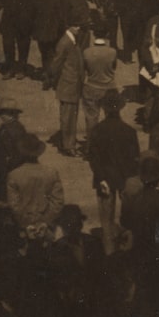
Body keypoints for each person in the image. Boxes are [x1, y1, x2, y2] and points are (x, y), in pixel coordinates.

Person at [86, 88, 140, 256]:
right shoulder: (129, 131)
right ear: (120, 108)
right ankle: (127, 250)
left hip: (104, 179)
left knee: (106, 221)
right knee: (128, 218)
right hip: (125, 179)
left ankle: (109, 254)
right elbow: (135, 158)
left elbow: (92, 158)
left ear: (103, 109)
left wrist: (101, 178)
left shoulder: (96, 131)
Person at [6, 134, 65, 239]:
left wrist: (27, 223)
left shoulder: (14, 175)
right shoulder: (51, 172)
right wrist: (45, 222)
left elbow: (14, 205)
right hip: (46, 228)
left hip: (24, 227)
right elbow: (58, 202)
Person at [48, 21, 86, 156]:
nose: (79, 28)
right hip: (68, 85)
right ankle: (68, 147)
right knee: (68, 117)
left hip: (73, 85)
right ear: (68, 26)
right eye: (76, 25)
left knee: (71, 116)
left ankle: (69, 143)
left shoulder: (72, 40)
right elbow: (55, 64)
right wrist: (52, 77)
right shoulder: (65, 42)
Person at [81, 20, 119, 142]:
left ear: (94, 34)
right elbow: (113, 67)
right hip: (109, 88)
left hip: (92, 87)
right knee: (111, 117)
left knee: (91, 118)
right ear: (107, 34)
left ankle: (91, 145)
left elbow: (84, 69)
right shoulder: (112, 52)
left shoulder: (87, 52)